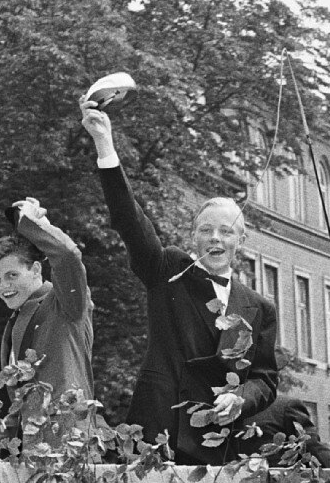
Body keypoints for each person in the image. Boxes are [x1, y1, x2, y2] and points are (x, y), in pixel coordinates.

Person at [79, 100, 283, 464]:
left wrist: (239, 399)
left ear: (241, 241)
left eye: (226, 231)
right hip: (159, 434)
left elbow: (264, 380)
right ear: (193, 236)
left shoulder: (260, 309)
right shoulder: (170, 270)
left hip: (219, 447)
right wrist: (104, 143)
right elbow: (131, 222)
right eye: (206, 230)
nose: (215, 238)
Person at [0, 201, 95, 444]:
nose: (4, 286)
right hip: (33, 451)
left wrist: (34, 224)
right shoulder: (18, 316)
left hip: (70, 448)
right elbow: (22, 402)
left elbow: (68, 257)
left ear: (36, 270)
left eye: (12, 275)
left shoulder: (64, 303)